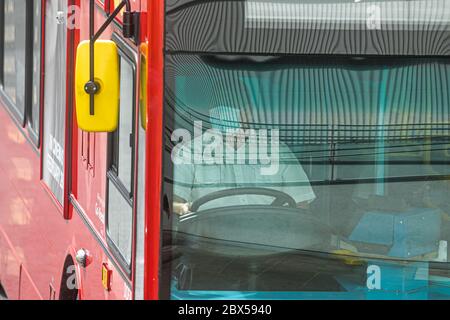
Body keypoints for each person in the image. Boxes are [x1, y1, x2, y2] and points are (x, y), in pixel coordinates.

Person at [172, 106, 316, 215]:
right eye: (223, 109)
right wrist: (185, 209)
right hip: (208, 243)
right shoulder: (190, 152)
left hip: (273, 242)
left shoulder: (277, 150)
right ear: (212, 113)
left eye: (235, 109)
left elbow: (300, 205)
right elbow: (173, 203)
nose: (228, 117)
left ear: (248, 114)